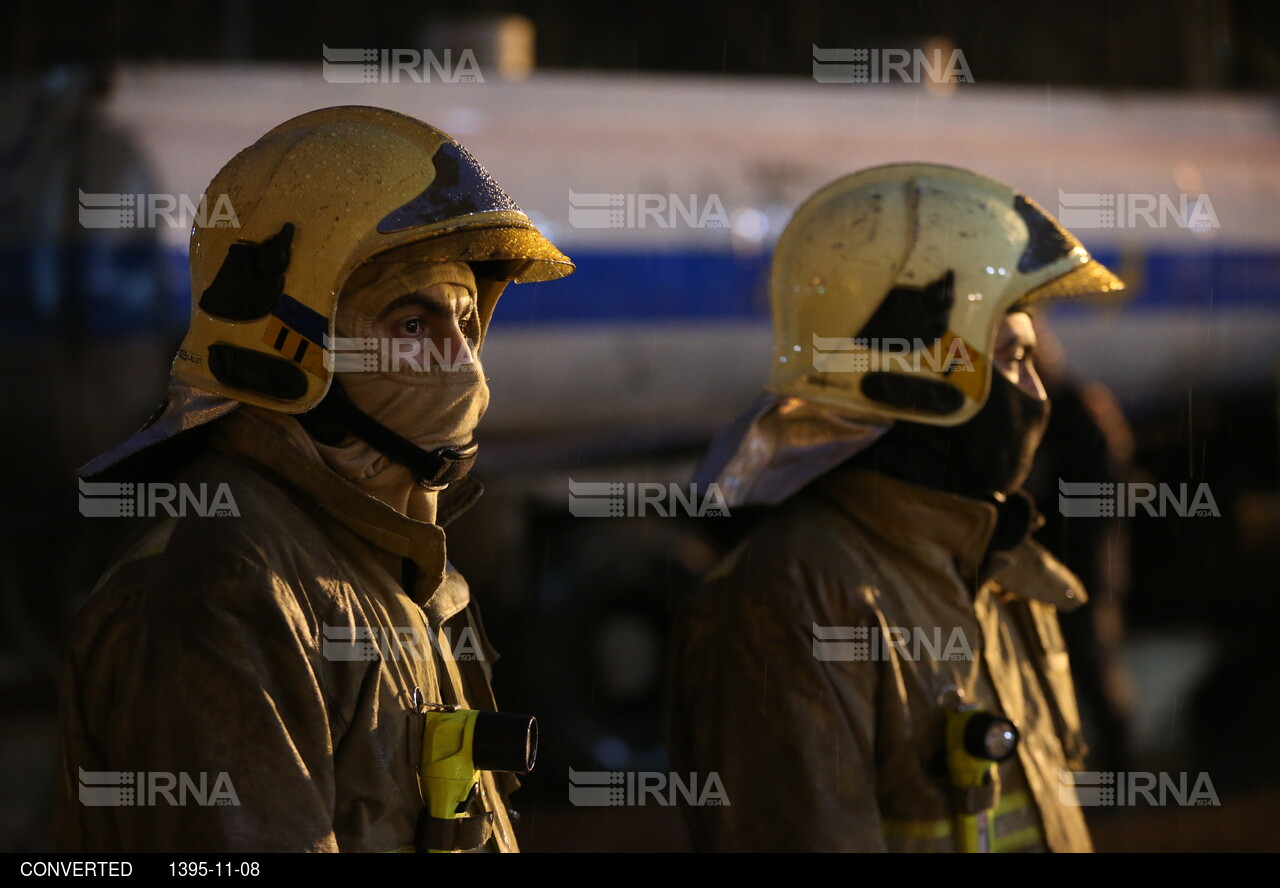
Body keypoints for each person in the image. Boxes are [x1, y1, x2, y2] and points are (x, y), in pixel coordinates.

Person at [55, 106, 573, 852]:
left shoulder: (379, 551)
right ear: (290, 351)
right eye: (412, 326)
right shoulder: (221, 591)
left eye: (466, 323)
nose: (461, 362)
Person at [667, 163, 1125, 852]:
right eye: (1012, 357)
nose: (1038, 393)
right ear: (927, 376)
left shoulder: (996, 571)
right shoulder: (793, 600)